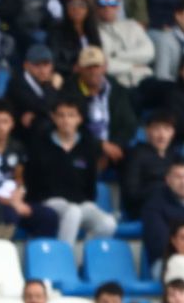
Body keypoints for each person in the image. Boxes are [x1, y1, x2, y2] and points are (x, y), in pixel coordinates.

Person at [26, 98, 117, 246]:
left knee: (108, 223)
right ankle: (64, 260)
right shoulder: (41, 145)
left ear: (79, 119)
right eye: (61, 115)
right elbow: (32, 179)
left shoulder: (87, 147)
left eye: (71, 115)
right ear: (53, 118)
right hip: (50, 202)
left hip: (81, 203)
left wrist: (87, 201)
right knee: (73, 212)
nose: (66, 120)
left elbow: (90, 182)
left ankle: (83, 260)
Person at [0, 103, 58, 239]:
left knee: (48, 215)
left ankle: (39, 254)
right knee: (11, 215)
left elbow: (19, 178)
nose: (1, 127)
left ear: (12, 124)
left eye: (5, 122)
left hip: (15, 200)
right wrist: (11, 203)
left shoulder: (17, 146)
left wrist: (18, 197)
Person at [94, 0, 155, 90]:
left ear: (118, 6)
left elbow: (149, 52)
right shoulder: (93, 32)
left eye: (112, 4)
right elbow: (104, 66)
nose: (107, 8)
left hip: (144, 79)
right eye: (102, 4)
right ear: (96, 7)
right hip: (116, 84)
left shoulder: (132, 25)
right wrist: (132, 66)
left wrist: (116, 55)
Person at [124, 111, 182, 219]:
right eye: (156, 129)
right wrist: (161, 189)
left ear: (173, 132)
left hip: (173, 205)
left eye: (167, 129)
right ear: (147, 131)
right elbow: (131, 193)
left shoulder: (175, 155)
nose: (162, 135)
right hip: (146, 207)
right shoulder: (136, 155)